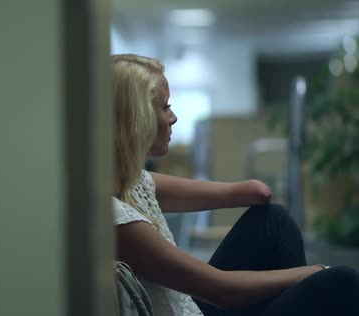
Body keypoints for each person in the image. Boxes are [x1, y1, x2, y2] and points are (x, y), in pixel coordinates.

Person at [112, 53, 359, 316]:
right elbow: (223, 290)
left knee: (274, 221)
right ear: (137, 118)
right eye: (165, 107)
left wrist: (250, 190)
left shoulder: (132, 180)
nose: (173, 117)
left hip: (191, 307)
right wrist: (314, 272)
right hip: (208, 301)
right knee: (340, 281)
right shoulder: (118, 219)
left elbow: (239, 192)